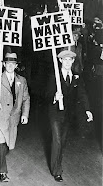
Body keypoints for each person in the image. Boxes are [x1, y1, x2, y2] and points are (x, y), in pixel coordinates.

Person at [45, 50, 93, 182]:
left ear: (72, 61)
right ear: (60, 61)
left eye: (69, 60)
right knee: (58, 140)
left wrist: (87, 109)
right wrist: (54, 97)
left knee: (63, 142)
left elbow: (82, 94)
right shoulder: (54, 76)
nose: (67, 62)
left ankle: (57, 165)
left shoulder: (76, 76)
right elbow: (46, 94)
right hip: (55, 113)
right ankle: (57, 171)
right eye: (64, 60)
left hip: (68, 114)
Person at [0, 52, 30, 182]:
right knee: (0, 144)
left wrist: (25, 114)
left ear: (16, 66)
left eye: (13, 64)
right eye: (7, 63)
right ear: (4, 64)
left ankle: (2, 162)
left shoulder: (22, 80)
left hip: (13, 117)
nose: (10, 66)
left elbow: (26, 98)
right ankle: (3, 172)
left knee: (9, 145)